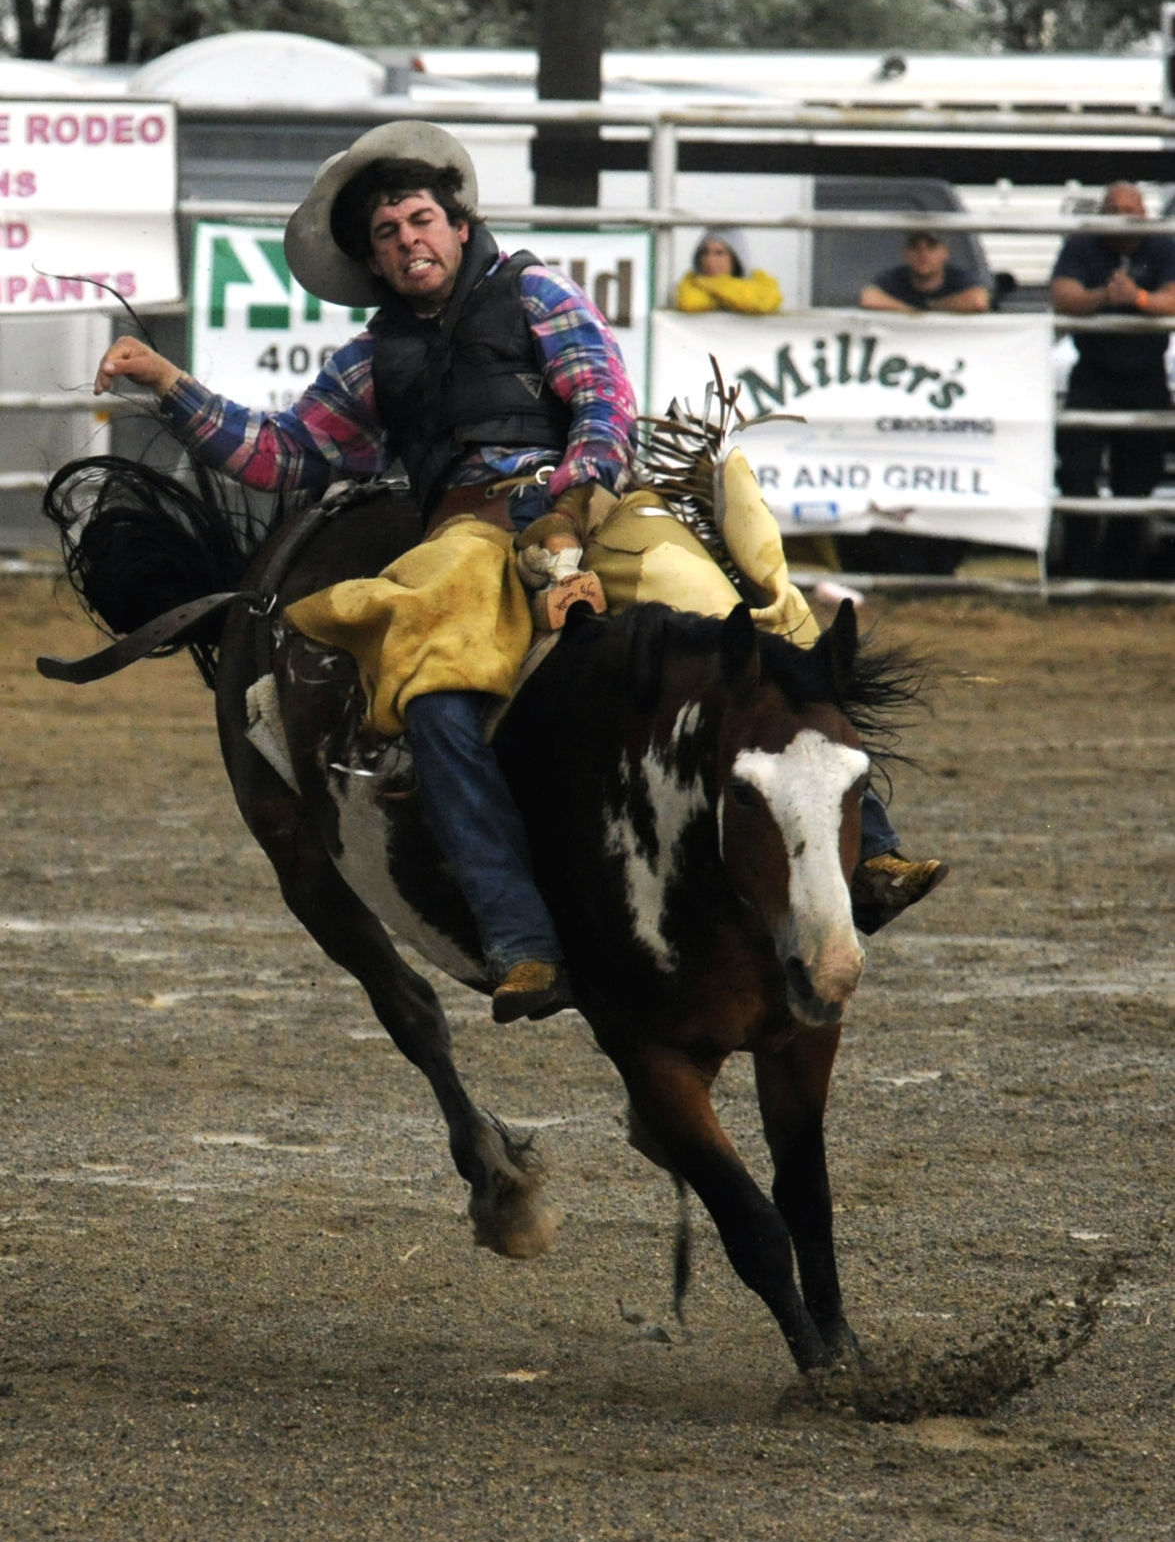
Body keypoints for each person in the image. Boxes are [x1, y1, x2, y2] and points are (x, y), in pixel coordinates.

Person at [95, 121, 942, 1023]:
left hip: (596, 505)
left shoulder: (536, 292)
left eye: (420, 220)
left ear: (458, 226)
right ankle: (519, 939)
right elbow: (282, 454)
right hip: (466, 539)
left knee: (740, 619)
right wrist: (169, 382)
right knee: (434, 699)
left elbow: (601, 403)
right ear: (374, 262)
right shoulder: (369, 361)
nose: (407, 241)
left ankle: (872, 847)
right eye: (387, 234)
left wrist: (571, 512)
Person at [1048, 181, 1175, 579]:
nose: (1123, 218)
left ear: (1145, 215)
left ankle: (1123, 575)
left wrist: (1138, 298)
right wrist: (1103, 296)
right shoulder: (1082, 245)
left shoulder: (1163, 244)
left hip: (1145, 374)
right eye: (1114, 210)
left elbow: (1172, 298)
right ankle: (1080, 571)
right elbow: (1062, 296)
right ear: (1102, 214)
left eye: (1131, 211)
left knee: (1137, 480)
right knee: (1076, 473)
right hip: (1093, 373)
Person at [860, 231, 991, 314]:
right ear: (906, 253)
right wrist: (911, 312)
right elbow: (869, 298)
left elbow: (978, 301)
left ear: (945, 252)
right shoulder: (894, 278)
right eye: (915, 247)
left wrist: (930, 308)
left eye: (931, 247)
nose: (923, 254)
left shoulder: (959, 278)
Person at [674, 227, 782, 315]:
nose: (709, 260)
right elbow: (690, 302)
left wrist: (712, 285)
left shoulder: (759, 278)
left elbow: (763, 301)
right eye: (704, 252)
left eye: (719, 253)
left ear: (736, 257)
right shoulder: (691, 280)